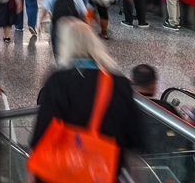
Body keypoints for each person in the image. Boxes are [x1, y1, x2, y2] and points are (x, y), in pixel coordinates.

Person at [30, 19, 140, 174]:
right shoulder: (120, 84)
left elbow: (41, 134)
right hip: (104, 171)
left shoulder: (58, 81)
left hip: (63, 171)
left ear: (66, 46)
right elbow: (133, 137)